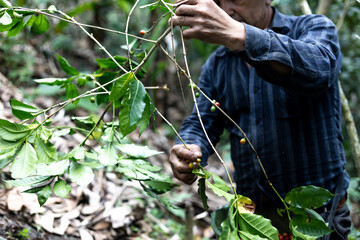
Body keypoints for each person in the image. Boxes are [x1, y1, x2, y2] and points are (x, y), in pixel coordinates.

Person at [168, 0, 351, 239]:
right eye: (221, 2)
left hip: (317, 218)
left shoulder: (313, 28)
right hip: (254, 222)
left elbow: (319, 67)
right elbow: (202, 121)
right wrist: (189, 147)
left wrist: (244, 37)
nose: (227, 9)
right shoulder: (218, 64)